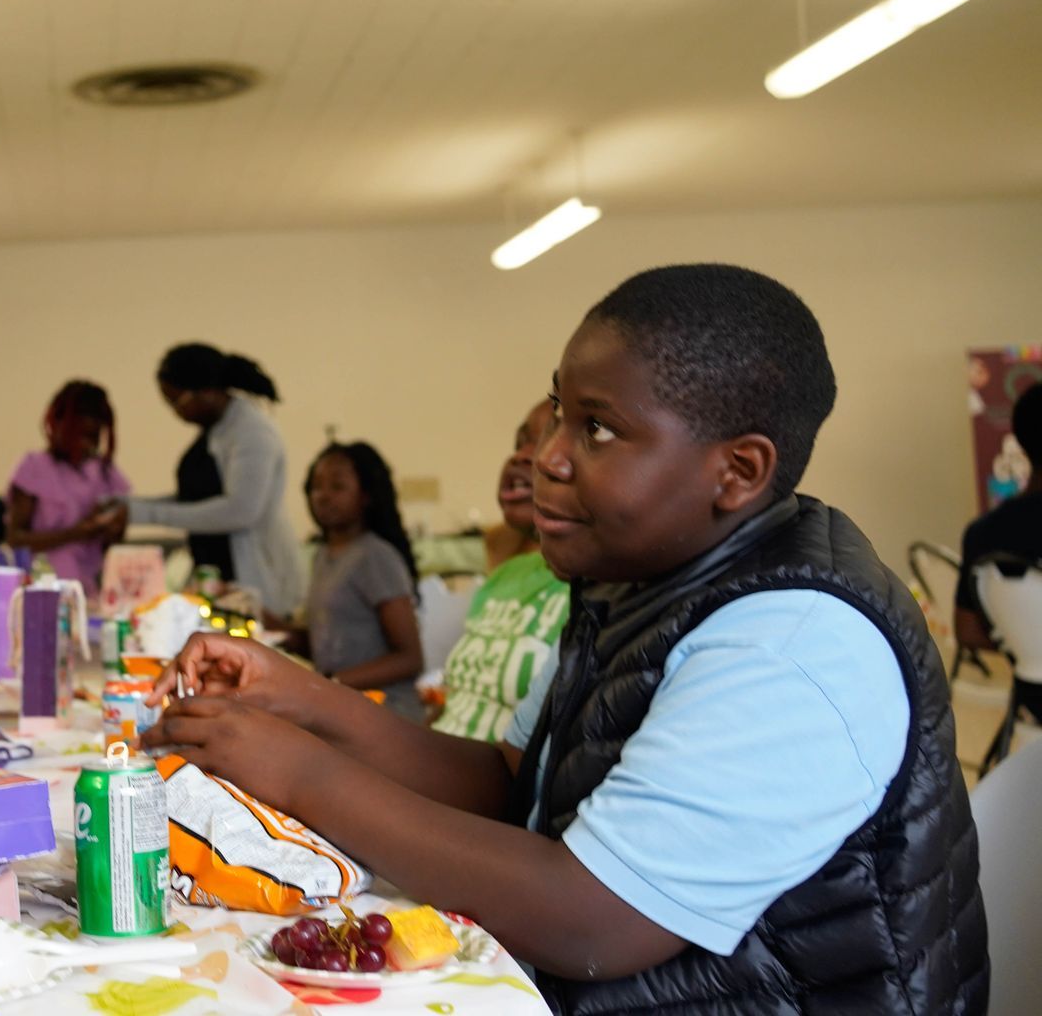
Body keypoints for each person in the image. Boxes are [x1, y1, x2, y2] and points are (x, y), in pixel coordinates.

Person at [144, 265, 986, 1013]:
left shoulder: (790, 644)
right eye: (557, 412)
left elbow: (593, 920)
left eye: (599, 429)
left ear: (738, 471)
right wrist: (300, 698)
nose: (546, 456)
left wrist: (300, 770)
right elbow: (511, 786)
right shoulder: (638, 583)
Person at [125, 343, 303, 615]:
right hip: (215, 573)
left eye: (176, 401)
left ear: (206, 391)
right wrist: (128, 508)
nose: (176, 413)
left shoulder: (252, 431)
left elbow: (240, 510)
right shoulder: (215, 430)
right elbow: (193, 499)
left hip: (256, 575)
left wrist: (145, 513)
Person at [431, 401, 571, 742]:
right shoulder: (505, 575)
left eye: (544, 441)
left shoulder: (598, 587)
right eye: (520, 442)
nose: (521, 456)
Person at [278, 442, 426, 720]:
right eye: (316, 486)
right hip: (339, 702)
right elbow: (329, 642)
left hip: (383, 708)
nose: (323, 496)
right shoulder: (323, 555)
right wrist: (261, 620)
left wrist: (328, 684)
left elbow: (410, 658)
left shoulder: (375, 555)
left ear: (366, 495)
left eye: (337, 486)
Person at [954, 382, 1042, 713]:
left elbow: (968, 631)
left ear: (1019, 442)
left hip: (1031, 698)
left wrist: (1028, 639)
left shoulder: (983, 533)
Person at [5, 380, 131, 599]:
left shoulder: (104, 472)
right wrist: (76, 533)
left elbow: (112, 546)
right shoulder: (34, 467)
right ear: (57, 424)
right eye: (79, 436)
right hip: (42, 590)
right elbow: (15, 538)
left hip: (91, 590)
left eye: (93, 437)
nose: (85, 445)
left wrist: (114, 528)